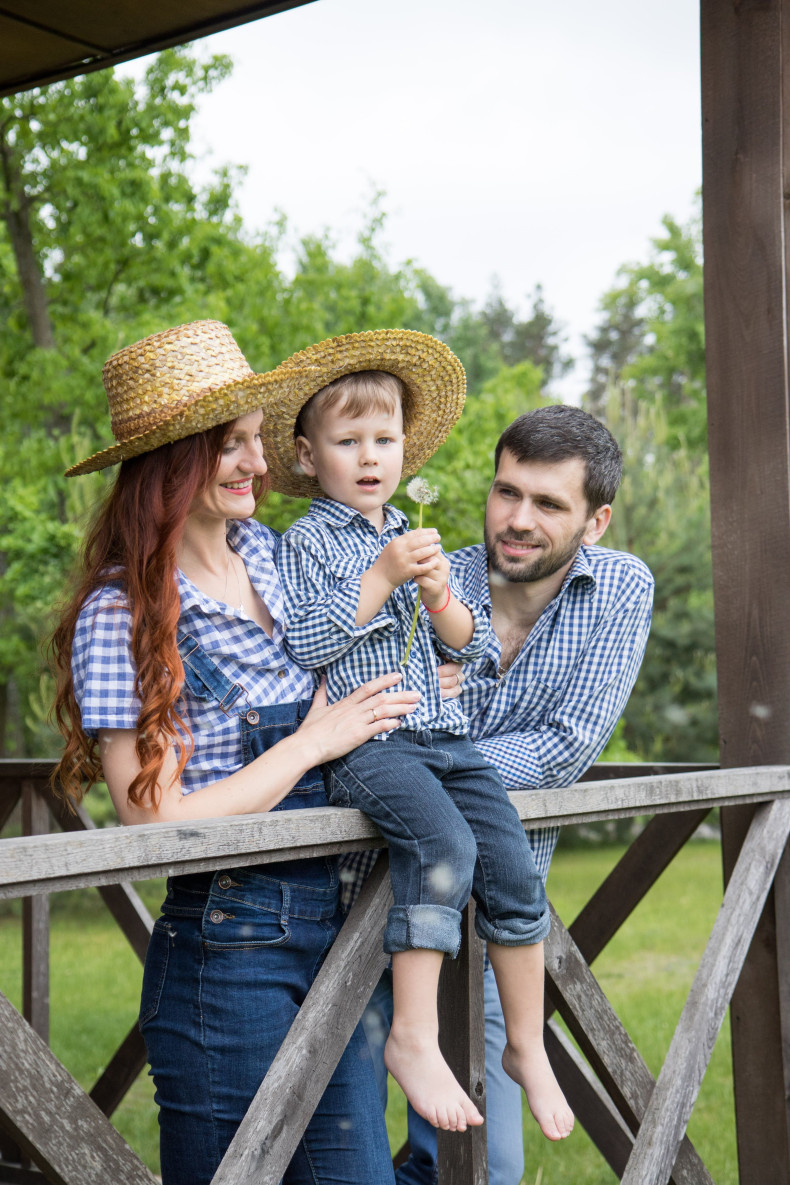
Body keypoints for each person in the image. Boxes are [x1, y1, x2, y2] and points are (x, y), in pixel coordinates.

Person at [49, 320, 423, 1185]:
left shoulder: (273, 554)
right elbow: (153, 820)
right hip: (230, 951)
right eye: (233, 445)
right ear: (171, 463)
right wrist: (310, 743)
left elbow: (357, 645)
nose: (260, 462)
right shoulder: (121, 614)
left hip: (342, 925)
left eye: (257, 438)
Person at [265, 329, 574, 1142]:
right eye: (348, 441)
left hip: (445, 735)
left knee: (510, 860)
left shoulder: (408, 526)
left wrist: (439, 595)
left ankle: (527, 1044)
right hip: (370, 741)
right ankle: (413, 1035)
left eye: (385, 439)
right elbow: (307, 641)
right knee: (443, 846)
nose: (370, 457)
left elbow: (471, 647)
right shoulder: (308, 541)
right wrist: (381, 577)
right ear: (308, 456)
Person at [355, 402, 655, 1185]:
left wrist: (427, 747)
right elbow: (354, 713)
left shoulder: (620, 587)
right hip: (354, 915)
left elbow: (565, 747)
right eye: (507, 491)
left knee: (482, 1168)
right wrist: (413, 731)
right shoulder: (428, 577)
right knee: (331, 1157)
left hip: (490, 937)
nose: (518, 519)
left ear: (595, 521)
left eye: (549, 503)